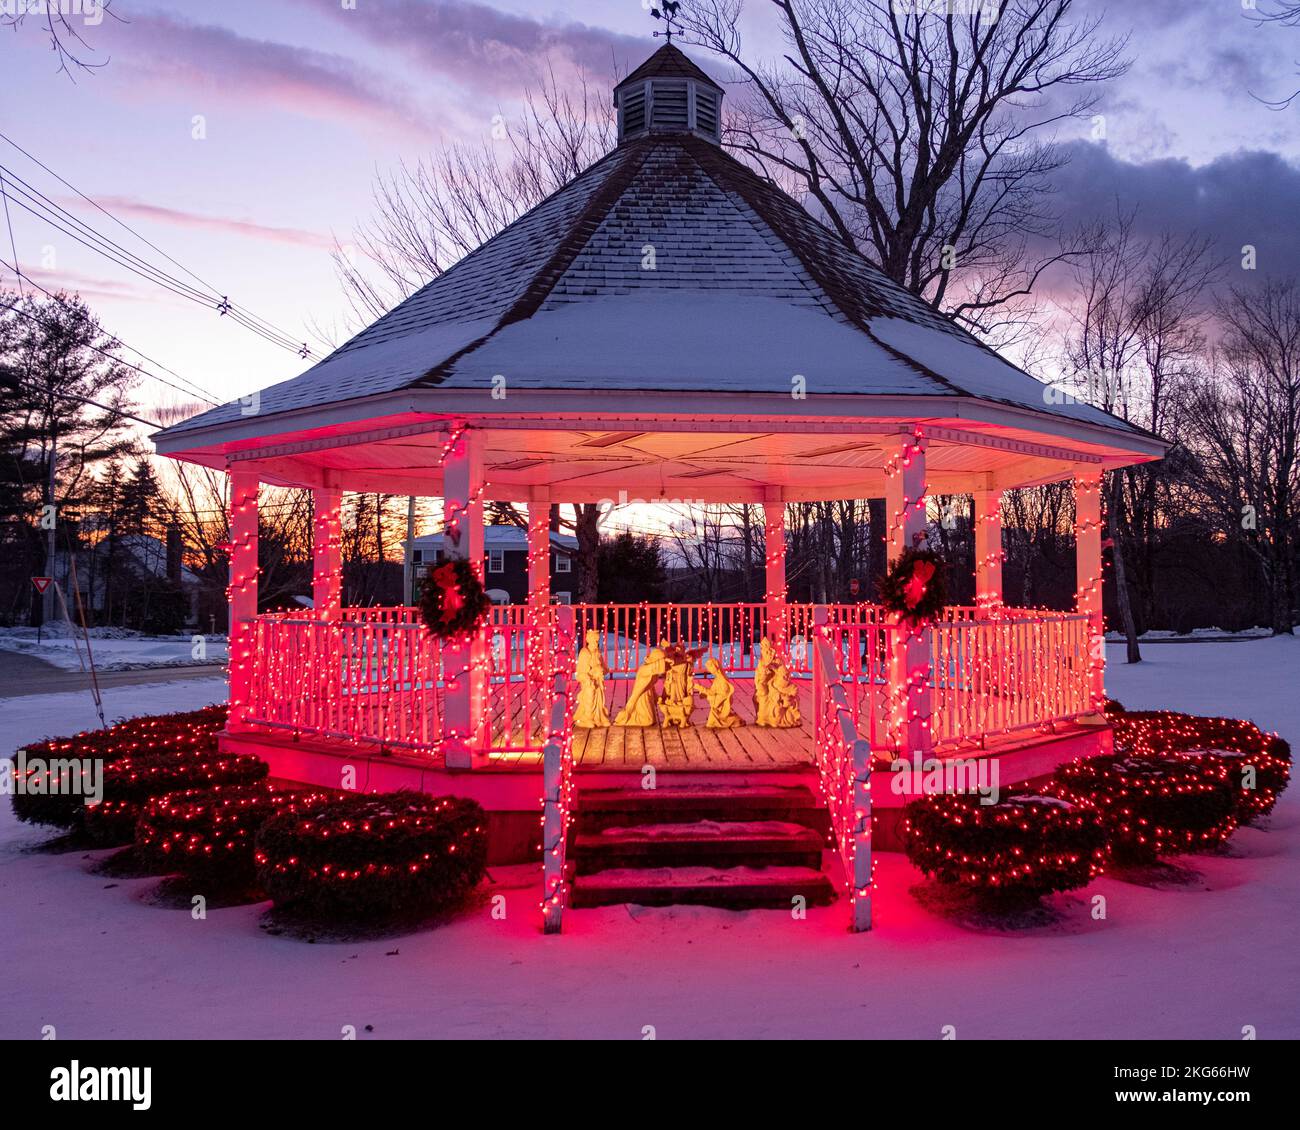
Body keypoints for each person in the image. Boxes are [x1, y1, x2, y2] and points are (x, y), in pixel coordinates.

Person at [614, 645, 669, 726]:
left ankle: (634, 716)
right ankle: (629, 720)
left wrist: (656, 698)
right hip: (641, 697)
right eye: (662, 660)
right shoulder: (644, 669)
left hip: (648, 696)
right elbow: (660, 667)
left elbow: (651, 687)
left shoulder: (653, 672)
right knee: (647, 721)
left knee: (651, 720)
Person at [574, 629, 610, 728]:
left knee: (600, 693)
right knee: (590, 692)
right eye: (594, 641)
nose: (595, 643)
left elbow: (604, 667)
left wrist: (602, 670)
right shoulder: (585, 653)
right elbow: (581, 672)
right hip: (588, 681)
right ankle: (587, 717)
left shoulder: (597, 652)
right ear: (588, 640)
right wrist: (591, 676)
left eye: (597, 641)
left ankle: (599, 716)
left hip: (598, 679)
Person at [695, 658, 744, 729]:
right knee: (711, 723)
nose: (709, 670)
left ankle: (733, 720)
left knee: (711, 723)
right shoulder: (717, 679)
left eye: (709, 668)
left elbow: (720, 695)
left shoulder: (722, 680)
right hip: (717, 704)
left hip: (720, 704)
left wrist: (700, 688)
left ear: (715, 667)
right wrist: (704, 693)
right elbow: (712, 691)